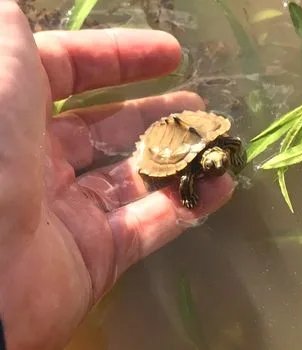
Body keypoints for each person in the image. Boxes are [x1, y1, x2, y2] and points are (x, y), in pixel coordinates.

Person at [0, 1, 236, 349]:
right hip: (168, 148)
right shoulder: (193, 167)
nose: (216, 164)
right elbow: (188, 171)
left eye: (218, 160)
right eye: (215, 161)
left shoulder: (220, 149)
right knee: (185, 181)